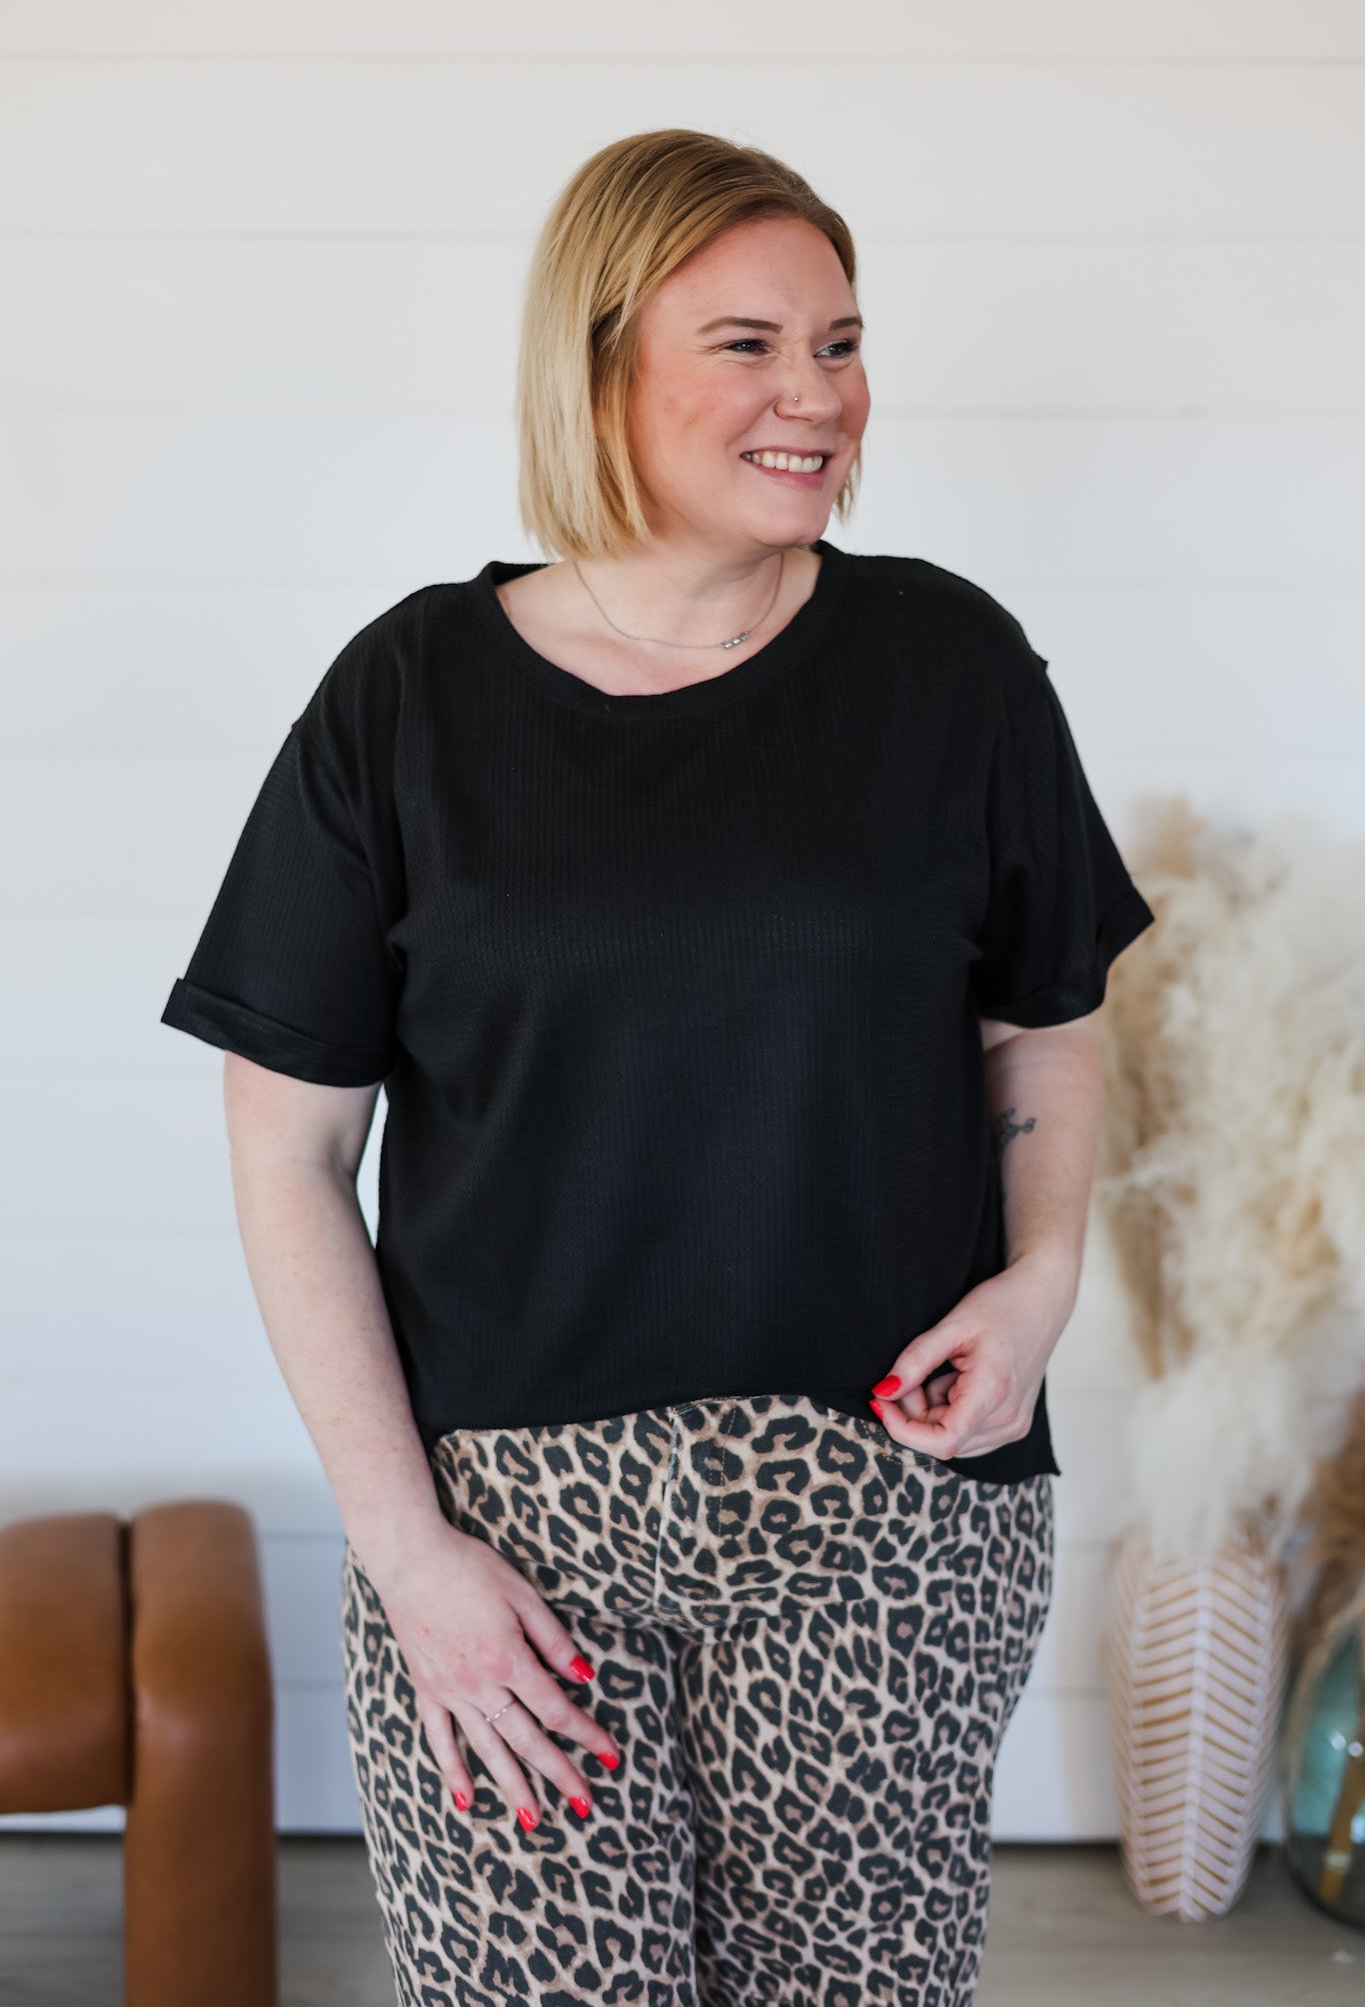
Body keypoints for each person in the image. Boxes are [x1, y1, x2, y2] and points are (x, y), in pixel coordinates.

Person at [161, 127, 1156, 2007]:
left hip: (883, 1513)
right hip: (508, 1541)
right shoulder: (407, 697)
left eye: (840, 344)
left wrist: (1040, 1283)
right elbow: (289, 1153)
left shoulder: (947, 666)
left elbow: (1043, 1015)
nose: (818, 397)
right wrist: (407, 1553)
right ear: (597, 364)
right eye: (749, 346)